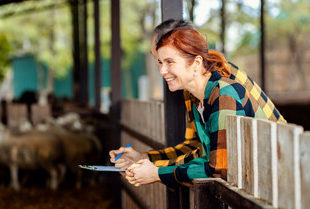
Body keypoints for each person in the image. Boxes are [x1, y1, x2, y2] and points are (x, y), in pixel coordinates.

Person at [109, 19, 286, 189]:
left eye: (169, 61)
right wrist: (146, 160)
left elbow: (219, 167)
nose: (162, 71)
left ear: (196, 62)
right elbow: (204, 151)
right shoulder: (196, 95)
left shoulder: (224, 91)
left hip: (278, 177)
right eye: (159, 62)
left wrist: (157, 173)